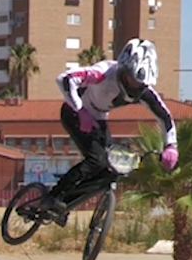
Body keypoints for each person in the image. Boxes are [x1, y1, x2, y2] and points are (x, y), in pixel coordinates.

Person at [43, 38, 179, 222]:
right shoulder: (102, 73)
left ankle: (65, 204)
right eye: (132, 80)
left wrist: (171, 145)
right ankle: (53, 197)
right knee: (95, 160)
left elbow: (165, 117)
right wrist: (80, 110)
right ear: (123, 71)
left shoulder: (144, 92)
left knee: (112, 167)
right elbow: (64, 79)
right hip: (74, 112)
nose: (135, 86)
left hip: (98, 118)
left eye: (140, 84)